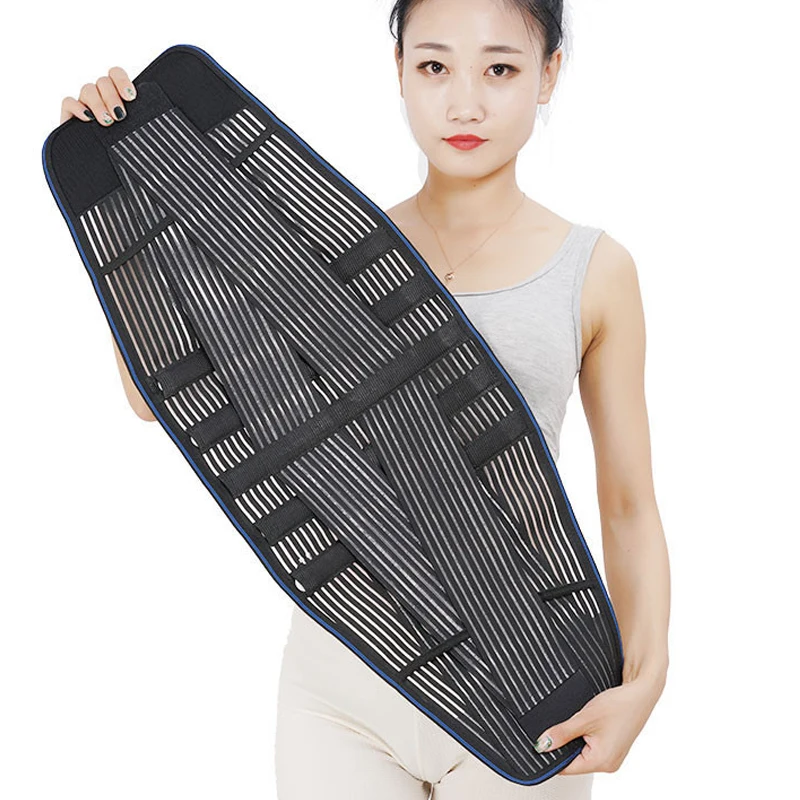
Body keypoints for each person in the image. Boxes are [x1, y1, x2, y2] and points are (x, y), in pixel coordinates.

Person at [58, 0, 670, 796]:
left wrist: (646, 682)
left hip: (526, 673)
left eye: (500, 68)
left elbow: (627, 505)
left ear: (549, 74)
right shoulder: (319, 251)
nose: (464, 103)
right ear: (400, 71)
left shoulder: (592, 269)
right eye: (434, 65)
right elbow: (161, 397)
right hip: (344, 673)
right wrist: (117, 195)